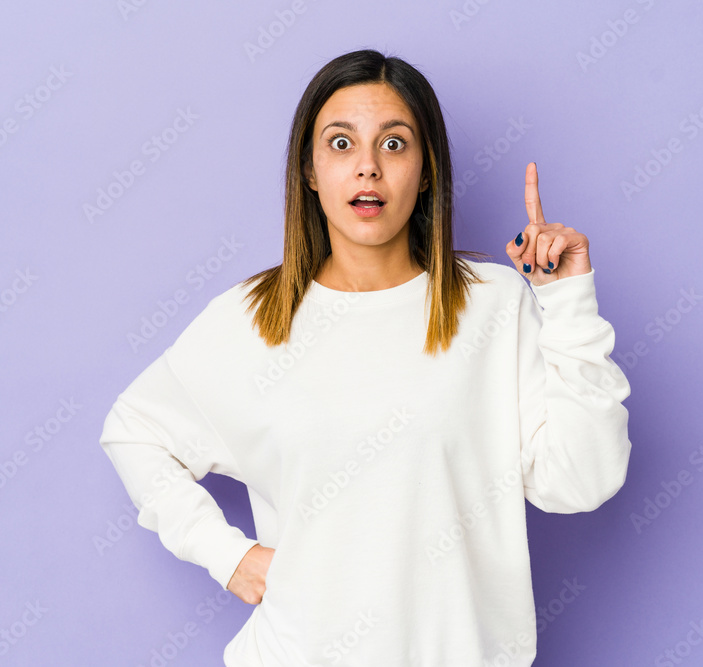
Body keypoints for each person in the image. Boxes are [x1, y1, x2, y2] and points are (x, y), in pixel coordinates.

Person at [98, 48, 631, 667]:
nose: (369, 169)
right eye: (342, 144)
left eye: (395, 144)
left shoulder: (494, 306)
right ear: (310, 170)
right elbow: (133, 431)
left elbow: (581, 481)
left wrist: (568, 301)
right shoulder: (253, 317)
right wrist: (227, 555)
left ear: (427, 170)